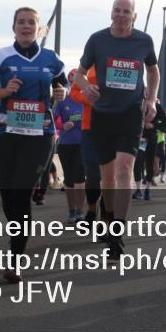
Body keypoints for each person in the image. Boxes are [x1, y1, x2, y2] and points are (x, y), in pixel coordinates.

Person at [0, 7, 67, 283]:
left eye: (31, 23)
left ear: (39, 29)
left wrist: (60, 92)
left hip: (39, 136)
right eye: (21, 22)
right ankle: (17, 241)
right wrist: (2, 92)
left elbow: (63, 87)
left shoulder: (51, 59)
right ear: (13, 27)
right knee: (9, 197)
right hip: (5, 135)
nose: (26, 27)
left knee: (22, 192)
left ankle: (15, 259)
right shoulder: (0, 56)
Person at [73, 0, 160, 260]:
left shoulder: (144, 41)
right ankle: (109, 218)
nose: (121, 15)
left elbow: (153, 71)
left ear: (134, 15)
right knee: (106, 178)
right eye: (117, 11)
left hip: (130, 113)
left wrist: (151, 100)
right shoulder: (97, 40)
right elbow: (78, 74)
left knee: (125, 169)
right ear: (111, 14)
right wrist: (87, 88)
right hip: (102, 115)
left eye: (126, 12)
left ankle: (117, 233)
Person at [69, 66, 103, 223]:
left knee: (110, 175)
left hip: (114, 128)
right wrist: (86, 99)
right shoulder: (89, 69)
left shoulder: (121, 61)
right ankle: (91, 209)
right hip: (89, 128)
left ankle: (107, 215)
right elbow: (73, 92)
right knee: (92, 172)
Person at [53, 70, 86, 223]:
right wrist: (63, 125)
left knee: (80, 178)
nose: (75, 85)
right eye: (72, 82)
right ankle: (71, 211)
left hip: (83, 144)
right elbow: (51, 120)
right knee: (69, 179)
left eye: (78, 82)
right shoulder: (62, 101)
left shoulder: (87, 99)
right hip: (66, 144)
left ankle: (80, 211)